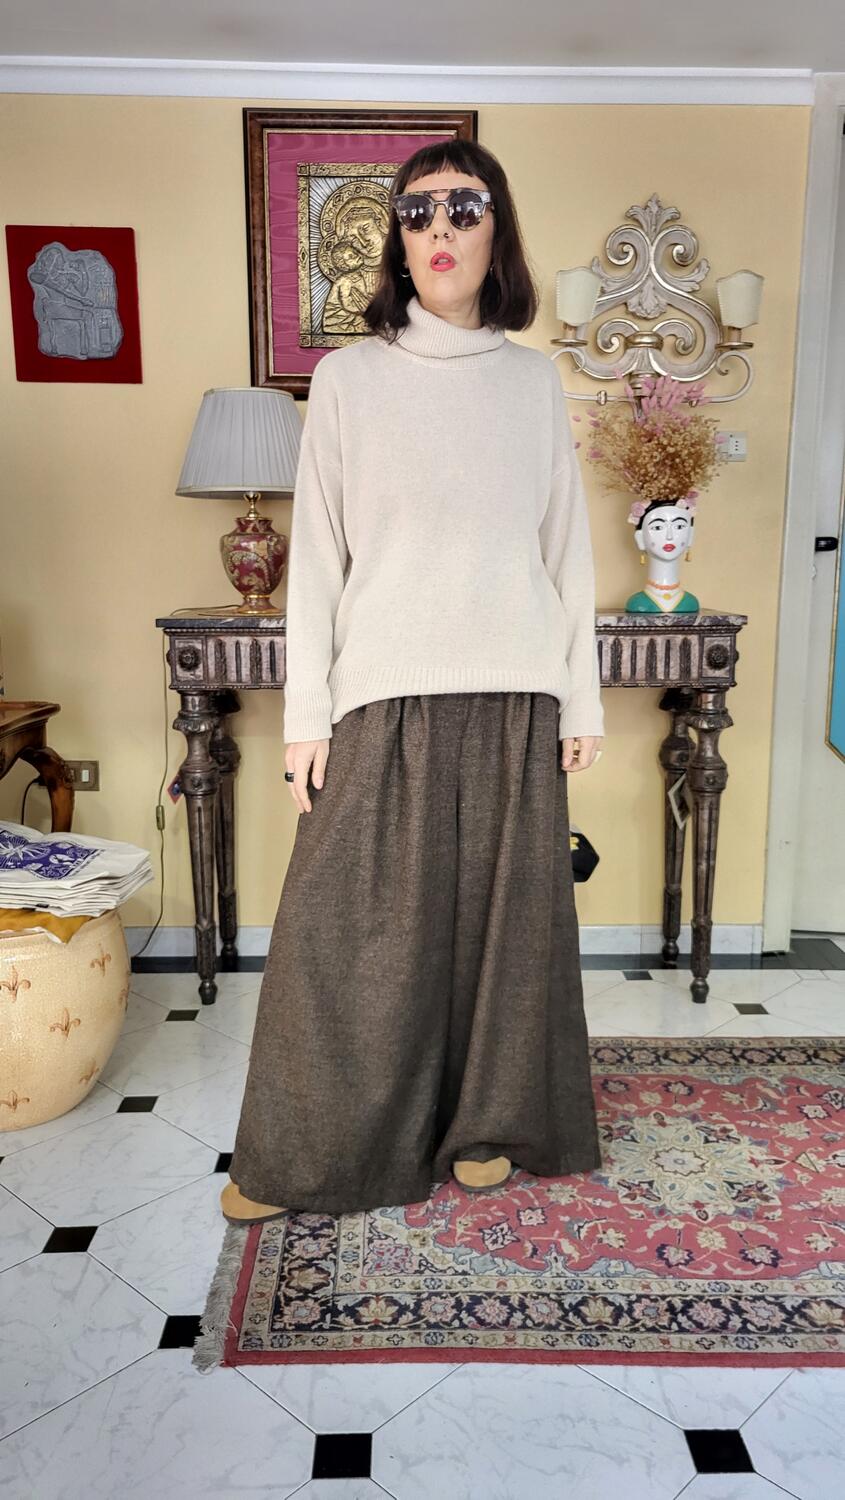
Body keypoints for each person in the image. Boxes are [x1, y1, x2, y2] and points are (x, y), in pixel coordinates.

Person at [221, 138, 605, 1225]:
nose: (439, 229)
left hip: (516, 683)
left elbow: (564, 548)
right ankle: (312, 1148)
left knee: (505, 928)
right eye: (417, 210)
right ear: (396, 239)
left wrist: (578, 697)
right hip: (381, 689)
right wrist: (306, 715)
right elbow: (318, 559)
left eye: (463, 207)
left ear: (497, 231)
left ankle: (488, 1123)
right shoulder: (348, 380)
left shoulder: (531, 383)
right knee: (346, 933)